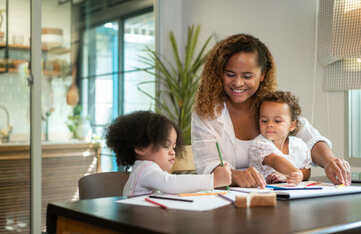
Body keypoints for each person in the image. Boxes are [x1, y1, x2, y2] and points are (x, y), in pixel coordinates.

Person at [192, 33, 351, 188]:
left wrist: (330, 161)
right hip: (229, 201)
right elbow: (208, 166)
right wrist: (236, 175)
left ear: (262, 74)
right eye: (230, 74)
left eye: (247, 76)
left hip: (277, 198)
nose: (238, 83)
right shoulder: (206, 114)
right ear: (220, 73)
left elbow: (310, 138)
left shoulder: (272, 105)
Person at [105, 110, 232, 196]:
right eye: (166, 146)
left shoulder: (142, 168)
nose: (172, 152)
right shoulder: (145, 169)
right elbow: (171, 184)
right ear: (140, 147)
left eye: (174, 146)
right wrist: (213, 180)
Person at [249, 91, 311, 186]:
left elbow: (306, 171)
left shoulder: (299, 145)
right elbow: (275, 161)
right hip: (264, 194)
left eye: (277, 121)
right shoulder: (259, 145)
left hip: (291, 193)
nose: (269, 124)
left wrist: (289, 177)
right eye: (264, 120)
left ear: (292, 125)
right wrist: (295, 172)